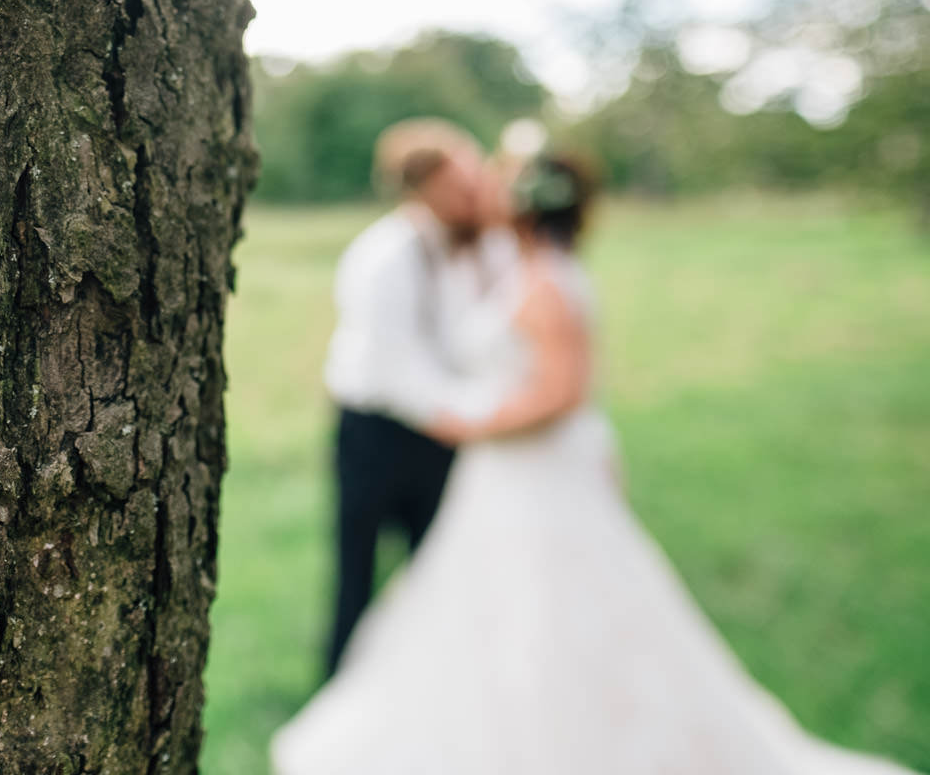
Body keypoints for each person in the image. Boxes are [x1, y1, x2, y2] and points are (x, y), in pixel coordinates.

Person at [273, 152, 917, 775]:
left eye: (494, 183)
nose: (482, 193)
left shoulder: (545, 282)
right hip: (483, 468)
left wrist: (472, 423)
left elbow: (560, 394)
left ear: (522, 205)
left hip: (528, 468)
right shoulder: (501, 264)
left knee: (546, 604)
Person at [318, 119, 513, 676]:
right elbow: (395, 368)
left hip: (449, 431)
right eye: (457, 187)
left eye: (475, 179)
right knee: (357, 569)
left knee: (441, 566)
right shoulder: (383, 257)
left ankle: (431, 679)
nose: (472, 194)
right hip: (377, 431)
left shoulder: (489, 244)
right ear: (420, 192)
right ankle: (341, 683)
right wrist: (472, 417)